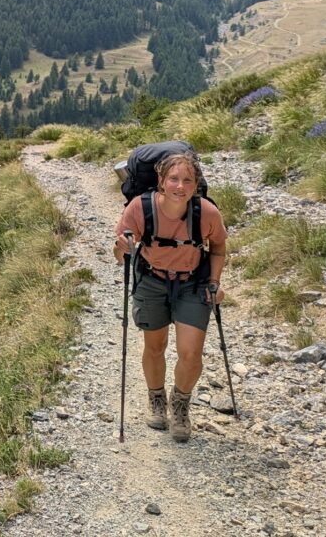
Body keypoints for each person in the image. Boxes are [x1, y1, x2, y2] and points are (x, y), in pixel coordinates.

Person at [113, 151, 227, 442]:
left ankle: (180, 404)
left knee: (191, 353)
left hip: (193, 283)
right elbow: (119, 254)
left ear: (196, 184)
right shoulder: (140, 208)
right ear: (161, 181)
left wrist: (214, 282)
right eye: (173, 179)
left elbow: (218, 247)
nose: (180, 186)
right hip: (152, 281)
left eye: (187, 180)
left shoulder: (207, 213)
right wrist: (122, 247)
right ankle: (156, 398)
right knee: (155, 346)